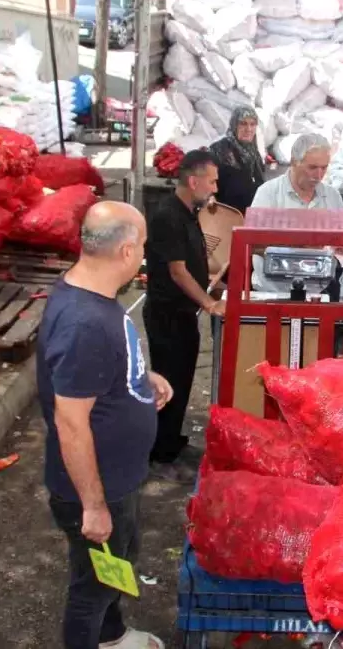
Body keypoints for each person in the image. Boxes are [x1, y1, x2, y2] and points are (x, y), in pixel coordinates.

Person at [38, 201, 174, 649]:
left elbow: (92, 374)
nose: (145, 256)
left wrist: (138, 378)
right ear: (127, 250)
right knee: (92, 586)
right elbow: (71, 423)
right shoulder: (85, 323)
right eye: (144, 248)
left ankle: (112, 636)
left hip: (118, 477)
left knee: (119, 558)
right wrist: (92, 506)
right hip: (97, 487)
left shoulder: (93, 295)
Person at [144, 149, 225, 484]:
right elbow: (178, 272)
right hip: (167, 316)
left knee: (183, 380)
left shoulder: (190, 211)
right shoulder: (167, 216)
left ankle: (173, 443)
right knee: (167, 384)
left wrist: (221, 274)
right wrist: (209, 303)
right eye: (212, 181)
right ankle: (160, 456)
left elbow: (194, 260)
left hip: (183, 314)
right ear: (194, 181)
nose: (216, 188)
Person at [250, 133, 343, 302]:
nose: (319, 175)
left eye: (324, 168)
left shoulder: (332, 197)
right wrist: (299, 244)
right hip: (272, 292)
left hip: (319, 293)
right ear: (294, 161)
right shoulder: (268, 193)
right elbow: (252, 244)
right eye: (312, 167)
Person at [207, 106, 266, 212]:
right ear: (234, 125)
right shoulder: (219, 150)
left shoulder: (254, 152)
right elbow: (206, 181)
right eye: (243, 124)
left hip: (251, 215)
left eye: (252, 124)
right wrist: (210, 197)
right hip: (226, 215)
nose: (248, 129)